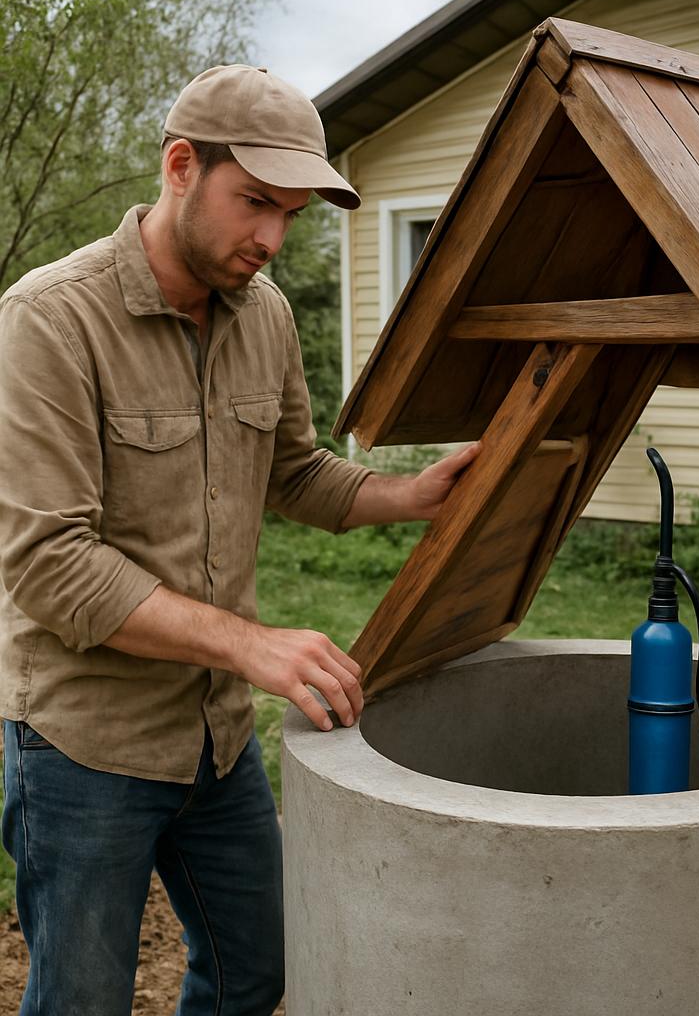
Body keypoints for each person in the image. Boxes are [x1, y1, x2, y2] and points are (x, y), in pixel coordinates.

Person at [0, 64, 478, 1015]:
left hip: (216, 742)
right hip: (85, 746)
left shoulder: (264, 315)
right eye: (255, 202)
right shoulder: (48, 320)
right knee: (82, 1000)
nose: (271, 239)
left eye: (291, 213)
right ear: (181, 166)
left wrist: (409, 494)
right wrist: (250, 644)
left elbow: (294, 472)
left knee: (255, 973)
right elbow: (48, 563)